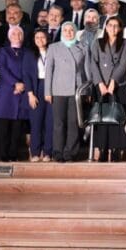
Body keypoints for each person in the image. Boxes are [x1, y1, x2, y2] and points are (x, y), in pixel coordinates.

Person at [90, 17, 126, 162]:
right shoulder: (98, 42)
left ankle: (115, 150)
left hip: (119, 85)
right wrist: (100, 83)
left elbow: (124, 63)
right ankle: (102, 149)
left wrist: (114, 81)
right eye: (110, 25)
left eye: (116, 26)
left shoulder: (125, 43)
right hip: (101, 86)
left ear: (120, 29)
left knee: (117, 118)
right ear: (106, 27)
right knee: (102, 118)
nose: (113, 28)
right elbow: (93, 63)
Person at [45, 21, 87, 162]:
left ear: (75, 32)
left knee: (73, 122)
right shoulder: (53, 47)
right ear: (61, 32)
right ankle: (58, 152)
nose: (68, 33)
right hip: (58, 89)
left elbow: (86, 70)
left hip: (76, 89)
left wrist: (86, 91)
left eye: (71, 30)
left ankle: (70, 152)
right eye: (65, 30)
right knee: (59, 123)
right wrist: (47, 91)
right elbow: (49, 71)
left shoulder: (83, 47)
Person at [0, 26, 28, 162]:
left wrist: (23, 84)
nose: (16, 35)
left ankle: (13, 154)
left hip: (22, 91)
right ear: (9, 36)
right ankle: (2, 153)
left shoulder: (27, 52)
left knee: (17, 127)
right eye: (13, 33)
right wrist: (15, 83)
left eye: (19, 33)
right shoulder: (3, 51)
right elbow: (2, 69)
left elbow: (29, 70)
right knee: (4, 126)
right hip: (6, 92)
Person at [22, 30, 54, 162]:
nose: (40, 39)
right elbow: (26, 75)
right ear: (34, 40)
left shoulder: (53, 51)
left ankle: (47, 153)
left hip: (51, 87)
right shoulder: (29, 54)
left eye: (43, 37)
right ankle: (35, 152)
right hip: (36, 88)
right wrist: (30, 94)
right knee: (36, 122)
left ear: (47, 39)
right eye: (37, 37)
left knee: (50, 122)